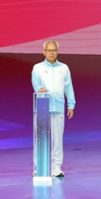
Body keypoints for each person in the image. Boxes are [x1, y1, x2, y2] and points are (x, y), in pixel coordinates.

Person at [32, 40, 76, 178]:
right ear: (44, 52)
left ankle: (56, 168)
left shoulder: (64, 68)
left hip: (58, 108)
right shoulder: (37, 68)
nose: (51, 53)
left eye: (54, 50)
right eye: (49, 50)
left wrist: (71, 105)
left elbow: (68, 87)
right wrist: (40, 88)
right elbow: (35, 82)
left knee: (57, 140)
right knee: (40, 139)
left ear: (57, 51)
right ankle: (39, 168)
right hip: (42, 107)